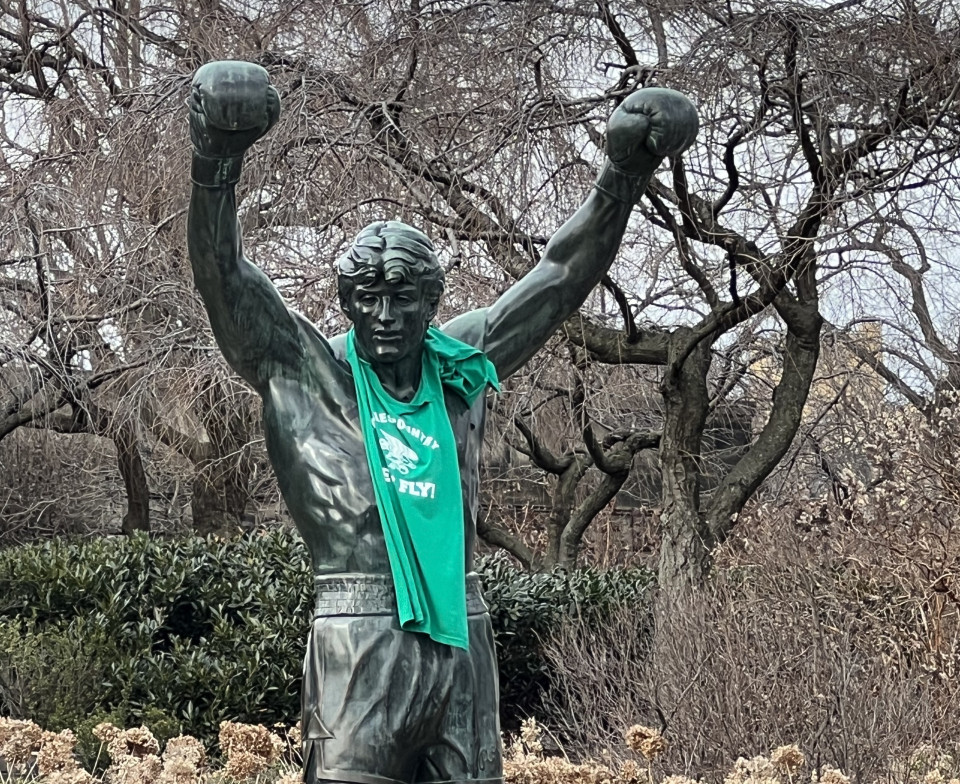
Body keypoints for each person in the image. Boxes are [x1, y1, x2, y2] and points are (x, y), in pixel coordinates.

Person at [187, 60, 697, 784]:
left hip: (461, 640)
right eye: (369, 299)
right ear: (347, 302)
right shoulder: (301, 371)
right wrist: (216, 162)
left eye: (406, 299)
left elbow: (556, 280)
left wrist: (622, 178)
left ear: (432, 302)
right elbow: (225, 277)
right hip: (357, 638)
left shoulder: (460, 370)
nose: (387, 317)